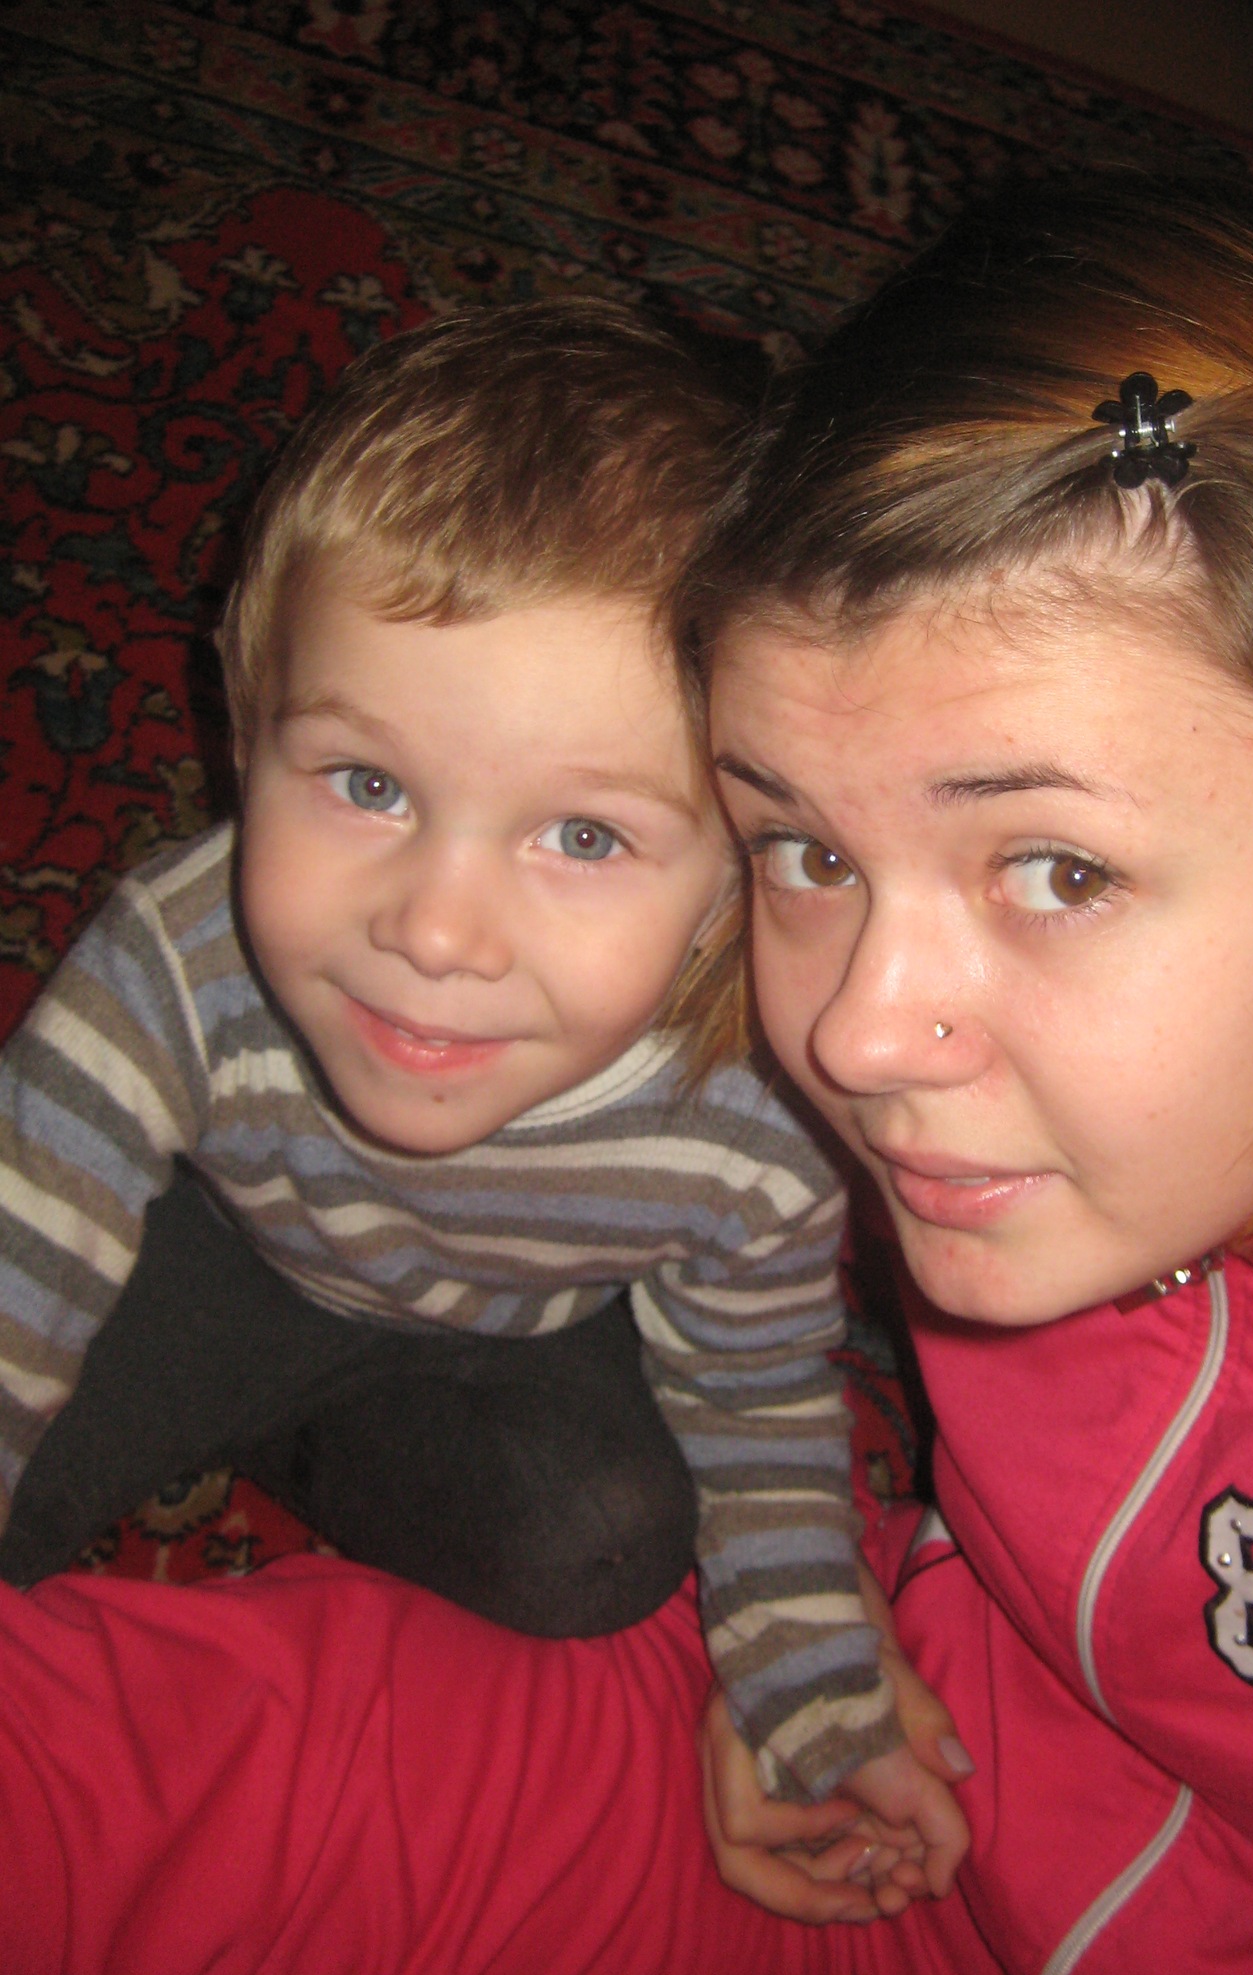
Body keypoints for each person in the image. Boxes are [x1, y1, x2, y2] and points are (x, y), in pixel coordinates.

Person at [3, 174, 1253, 1975]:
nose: (851, 1039)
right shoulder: (1019, 1142)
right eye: (804, 848)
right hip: (883, 1803)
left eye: (1056, 870)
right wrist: (821, 1670)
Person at [0, 300, 964, 1840]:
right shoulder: (178, 962)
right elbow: (23, 1236)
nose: (436, 931)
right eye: (366, 784)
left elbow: (755, 1387)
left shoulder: (752, 1116)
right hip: (211, 1259)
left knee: (609, 1544)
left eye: (583, 836)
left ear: (739, 873)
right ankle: (248, 1407)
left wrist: (810, 1679)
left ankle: (300, 1433)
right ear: (245, 734)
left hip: (513, 1336)